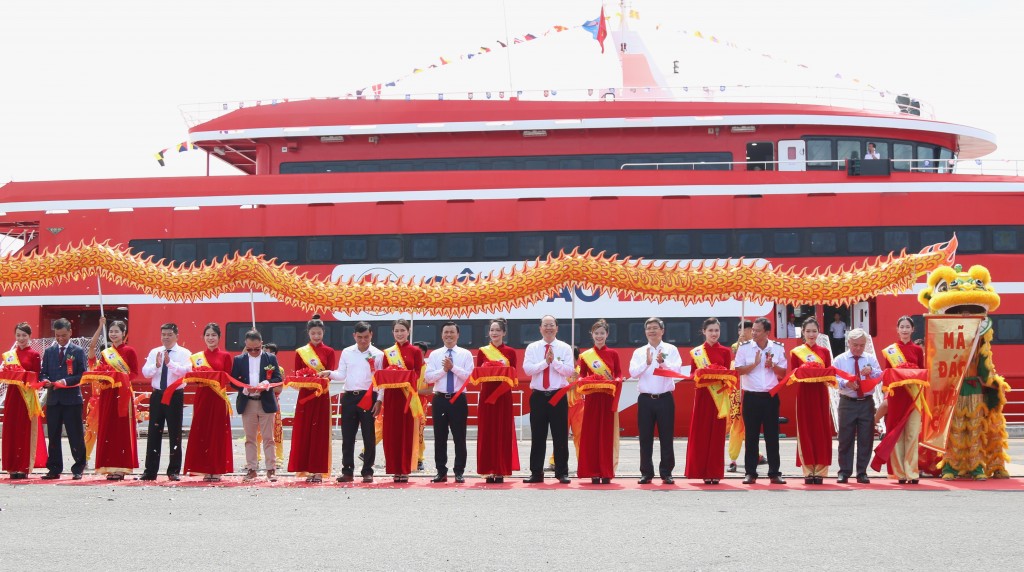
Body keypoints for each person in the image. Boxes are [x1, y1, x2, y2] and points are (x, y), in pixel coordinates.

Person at [321, 321, 383, 483]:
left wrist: (380, 400)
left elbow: (381, 380)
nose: (363, 340)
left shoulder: (378, 354)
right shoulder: (347, 352)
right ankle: (347, 471)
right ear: (354, 335)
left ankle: (367, 471)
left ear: (371, 335)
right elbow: (341, 374)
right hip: (349, 397)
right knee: (347, 436)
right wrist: (330, 373)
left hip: (369, 397)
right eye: (360, 337)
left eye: (366, 337)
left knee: (369, 436)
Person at [629, 317, 683, 485]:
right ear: (645, 332)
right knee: (645, 438)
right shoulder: (639, 352)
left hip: (665, 398)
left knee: (666, 437)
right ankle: (646, 472)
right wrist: (647, 363)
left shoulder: (671, 349)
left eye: (655, 328)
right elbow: (632, 372)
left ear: (662, 331)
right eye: (649, 328)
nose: (652, 331)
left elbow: (677, 370)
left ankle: (666, 472)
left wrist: (663, 362)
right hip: (645, 400)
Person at [734, 317, 787, 485]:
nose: (753, 333)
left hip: (770, 397)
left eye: (757, 330)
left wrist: (773, 366)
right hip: (751, 396)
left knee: (772, 436)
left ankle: (774, 473)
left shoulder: (777, 348)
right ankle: (750, 472)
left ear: (767, 332)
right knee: (751, 437)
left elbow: (783, 374)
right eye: (753, 330)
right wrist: (755, 364)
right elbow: (738, 370)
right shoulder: (745, 348)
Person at [522, 315, 575, 484]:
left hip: (558, 395)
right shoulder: (533, 347)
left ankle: (562, 472)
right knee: (538, 436)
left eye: (551, 325)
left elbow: (569, 371)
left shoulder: (565, 348)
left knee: (560, 436)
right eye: (545, 325)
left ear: (557, 328)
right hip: (538, 396)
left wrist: (555, 363)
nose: (549, 328)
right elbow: (528, 370)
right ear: (540, 328)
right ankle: (536, 473)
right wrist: (545, 363)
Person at [86, 317, 140, 480]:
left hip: (123, 394)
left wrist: (119, 378)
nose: (113, 334)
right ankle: (108, 465)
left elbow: (134, 373)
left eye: (117, 331)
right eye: (111, 331)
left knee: (121, 430)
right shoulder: (106, 353)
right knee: (107, 430)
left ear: (124, 334)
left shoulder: (129, 351)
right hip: (108, 394)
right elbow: (102, 371)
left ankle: (122, 467)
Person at [139, 323, 192, 481]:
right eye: (163, 334)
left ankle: (173, 470)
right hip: (157, 395)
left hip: (175, 395)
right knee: (154, 433)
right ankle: (150, 471)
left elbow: (186, 371)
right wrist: (156, 365)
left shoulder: (184, 353)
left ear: (176, 336)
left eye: (169, 334)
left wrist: (170, 363)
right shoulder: (155, 352)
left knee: (175, 433)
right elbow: (146, 373)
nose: (166, 337)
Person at [876, 316, 926, 484]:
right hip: (897, 396)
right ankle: (899, 473)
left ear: (913, 330)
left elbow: (921, 372)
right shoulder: (891, 351)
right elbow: (887, 375)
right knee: (896, 434)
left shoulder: (918, 350)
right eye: (901, 327)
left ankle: (912, 472)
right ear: (897, 330)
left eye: (907, 327)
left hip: (914, 397)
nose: (904, 330)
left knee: (912, 434)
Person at [183, 322, 233, 482]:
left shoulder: (225, 356)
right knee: (202, 432)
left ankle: (217, 469)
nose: (210, 338)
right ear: (203, 337)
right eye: (208, 335)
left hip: (218, 398)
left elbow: (227, 378)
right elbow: (193, 378)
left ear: (219, 337)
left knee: (217, 433)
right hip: (202, 397)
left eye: (213, 335)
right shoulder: (197, 358)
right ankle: (203, 468)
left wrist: (214, 378)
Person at [39, 318, 88, 480]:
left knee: (75, 435)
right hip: (53, 400)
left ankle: (78, 467)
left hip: (72, 399)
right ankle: (54, 468)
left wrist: (65, 381)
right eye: (57, 335)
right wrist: (45, 381)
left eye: (63, 335)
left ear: (70, 333)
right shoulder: (49, 352)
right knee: (53, 435)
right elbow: (43, 372)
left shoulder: (78, 351)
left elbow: (82, 375)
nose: (60, 338)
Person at [424, 321, 474, 483]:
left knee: (459, 436)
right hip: (440, 398)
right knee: (440, 437)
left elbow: (470, 377)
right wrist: (444, 370)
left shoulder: (465, 354)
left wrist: (453, 368)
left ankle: (459, 471)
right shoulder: (435, 354)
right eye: (446, 332)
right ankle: (441, 471)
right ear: (441, 334)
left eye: (452, 332)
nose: (449, 335)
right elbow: (428, 377)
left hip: (458, 398)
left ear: (458, 335)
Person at [685, 317, 732, 485]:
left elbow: (728, 374)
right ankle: (700, 471)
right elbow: (692, 375)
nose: (714, 333)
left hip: (719, 396)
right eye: (710, 330)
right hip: (703, 396)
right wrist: (701, 374)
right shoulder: (697, 352)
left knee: (717, 436)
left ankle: (714, 472)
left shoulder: (726, 351)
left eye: (716, 330)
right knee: (702, 433)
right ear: (704, 332)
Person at [231, 329, 282, 482]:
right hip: (248, 402)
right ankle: (252, 468)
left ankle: (271, 469)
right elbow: (233, 380)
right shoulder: (239, 359)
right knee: (250, 438)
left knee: (268, 438)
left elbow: (278, 378)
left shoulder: (270, 358)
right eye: (250, 349)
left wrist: (267, 383)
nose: (253, 352)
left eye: (256, 349)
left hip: (265, 400)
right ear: (245, 346)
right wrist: (244, 388)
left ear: (261, 344)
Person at [832, 328, 882, 484]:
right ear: (848, 343)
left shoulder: (870, 359)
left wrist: (871, 371)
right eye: (855, 345)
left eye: (861, 345)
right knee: (845, 438)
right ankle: (844, 472)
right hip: (847, 401)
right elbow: (832, 379)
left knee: (866, 438)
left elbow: (880, 376)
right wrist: (845, 382)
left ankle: (862, 472)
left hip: (866, 402)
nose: (858, 348)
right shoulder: (840, 359)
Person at [290, 315, 337, 482]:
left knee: (320, 434)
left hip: (321, 396)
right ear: (308, 333)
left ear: (323, 333)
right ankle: (306, 469)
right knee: (305, 432)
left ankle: (318, 470)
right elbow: (296, 374)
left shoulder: (329, 352)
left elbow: (330, 374)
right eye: (313, 333)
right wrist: (306, 379)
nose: (316, 336)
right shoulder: (300, 352)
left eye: (319, 333)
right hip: (305, 396)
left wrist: (319, 380)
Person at [576, 319, 622, 484]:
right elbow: (582, 375)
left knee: (606, 435)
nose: (599, 336)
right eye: (596, 333)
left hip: (607, 398)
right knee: (591, 434)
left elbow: (619, 374)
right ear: (592, 335)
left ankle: (606, 471)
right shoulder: (586, 355)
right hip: (592, 399)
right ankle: (593, 471)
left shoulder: (613, 354)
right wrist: (584, 380)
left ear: (607, 334)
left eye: (602, 333)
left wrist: (615, 380)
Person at [788, 317, 833, 485]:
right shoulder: (796, 352)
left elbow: (829, 374)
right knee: (806, 429)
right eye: (808, 331)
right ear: (803, 332)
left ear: (819, 332)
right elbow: (793, 374)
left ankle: (820, 471)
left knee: (821, 429)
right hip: (804, 394)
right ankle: (808, 471)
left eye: (814, 331)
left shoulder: (825, 352)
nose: (811, 334)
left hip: (821, 393)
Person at [474, 318, 519, 484]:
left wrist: (497, 394)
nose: (494, 333)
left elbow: (512, 377)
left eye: (497, 330)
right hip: (486, 395)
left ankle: (500, 470)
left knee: (502, 431)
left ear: (504, 333)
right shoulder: (482, 351)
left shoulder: (511, 352)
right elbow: (477, 375)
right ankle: (487, 470)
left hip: (503, 396)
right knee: (487, 431)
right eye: (492, 330)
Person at [379, 318, 424, 483]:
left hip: (408, 396)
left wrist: (405, 377)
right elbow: (383, 374)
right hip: (391, 397)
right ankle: (393, 468)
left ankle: (404, 469)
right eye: (396, 331)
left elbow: (418, 373)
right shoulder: (387, 352)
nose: (399, 333)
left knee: (406, 432)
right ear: (393, 333)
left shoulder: (416, 351)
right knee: (391, 433)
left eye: (402, 330)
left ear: (408, 331)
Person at [2, 322, 45, 479]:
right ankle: (11, 466)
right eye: (18, 335)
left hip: (27, 396)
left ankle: (23, 467)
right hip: (13, 396)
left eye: (24, 335)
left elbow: (37, 377)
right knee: (11, 430)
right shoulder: (9, 356)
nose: (21, 338)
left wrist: (24, 377)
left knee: (24, 430)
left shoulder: (34, 355)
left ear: (30, 336)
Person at [727, 319, 753, 473]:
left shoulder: (760, 348)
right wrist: (741, 344)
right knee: (736, 426)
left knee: (751, 427)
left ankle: (755, 455)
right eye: (741, 330)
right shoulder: (736, 346)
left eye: (749, 330)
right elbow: (737, 356)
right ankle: (733, 459)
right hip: (737, 392)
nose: (744, 333)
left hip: (752, 392)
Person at [259, 342, 286, 469]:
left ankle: (278, 458)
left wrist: (265, 387)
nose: (266, 354)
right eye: (265, 351)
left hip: (273, 403)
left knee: (276, 431)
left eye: (269, 352)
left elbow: (279, 389)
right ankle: (256, 457)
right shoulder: (257, 366)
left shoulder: (279, 369)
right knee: (256, 432)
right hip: (258, 403)